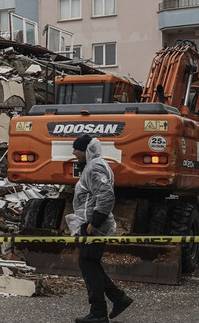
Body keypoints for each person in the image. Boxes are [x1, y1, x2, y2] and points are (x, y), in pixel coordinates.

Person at [68, 134, 134, 323]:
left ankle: (99, 312)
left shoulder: (95, 167)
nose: (74, 153)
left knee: (88, 264)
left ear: (86, 150)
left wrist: (95, 223)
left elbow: (105, 195)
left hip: (93, 225)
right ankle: (118, 298)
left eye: (77, 149)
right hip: (91, 223)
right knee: (89, 263)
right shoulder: (94, 166)